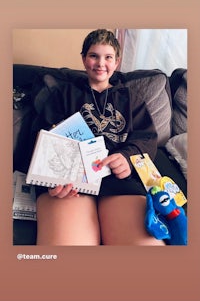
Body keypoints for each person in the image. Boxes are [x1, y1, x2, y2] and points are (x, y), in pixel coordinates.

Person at [33, 29, 165, 245]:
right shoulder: (63, 94)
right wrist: (51, 175)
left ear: (117, 62)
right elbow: (41, 136)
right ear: (84, 59)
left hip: (119, 179)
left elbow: (147, 138)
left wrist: (128, 156)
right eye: (94, 55)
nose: (100, 63)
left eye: (108, 57)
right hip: (70, 181)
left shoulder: (131, 99)